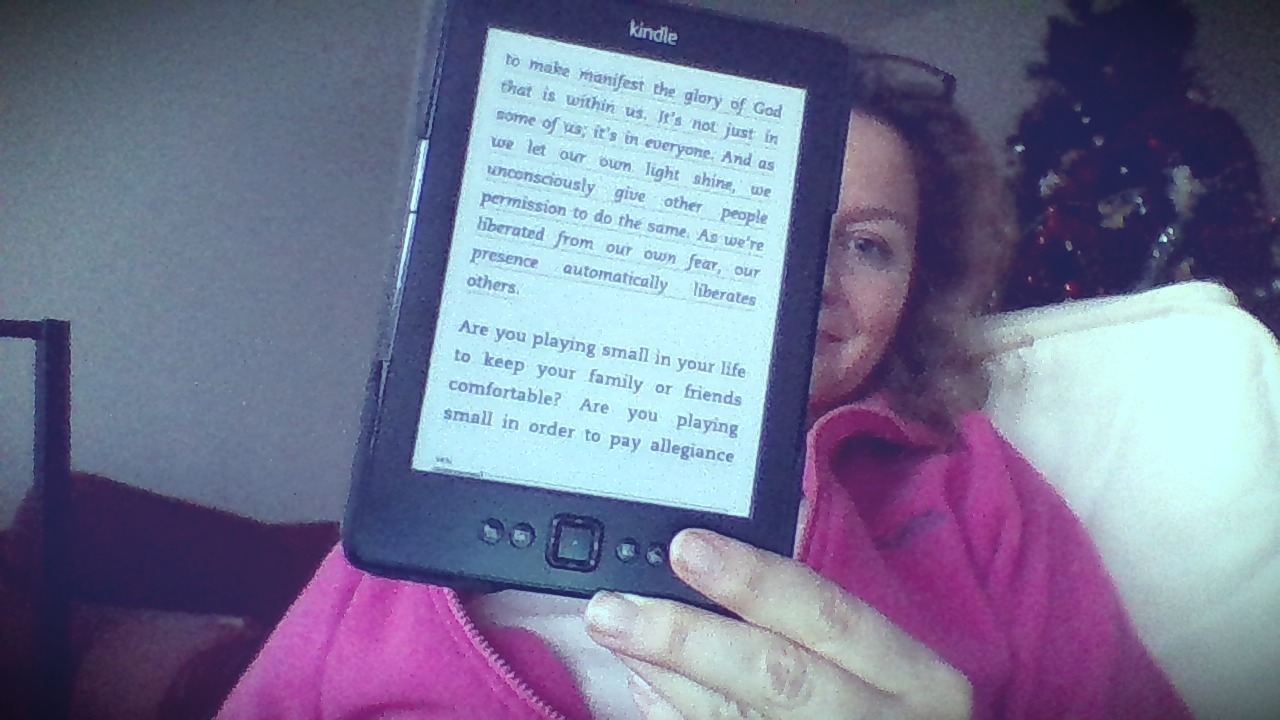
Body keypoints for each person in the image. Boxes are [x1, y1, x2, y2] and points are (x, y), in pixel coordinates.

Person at [217, 51, 1191, 719]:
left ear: (916, 287)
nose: (804, 281)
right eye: (761, 221)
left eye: (864, 244)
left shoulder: (973, 485)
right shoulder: (435, 471)